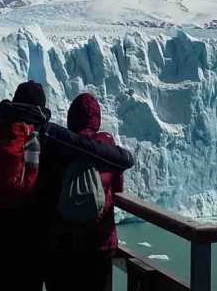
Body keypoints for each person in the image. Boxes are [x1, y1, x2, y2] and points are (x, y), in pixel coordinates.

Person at [0, 81, 134, 291]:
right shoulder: (48, 132)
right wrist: (125, 157)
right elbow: (89, 149)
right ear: (41, 107)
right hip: (32, 244)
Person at [40, 93, 126, 291]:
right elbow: (118, 188)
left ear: (72, 118)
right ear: (97, 119)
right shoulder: (107, 149)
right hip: (99, 244)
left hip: (62, 245)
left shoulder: (58, 146)